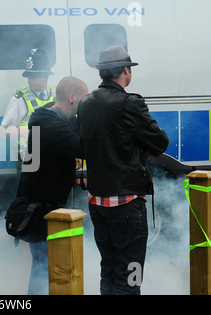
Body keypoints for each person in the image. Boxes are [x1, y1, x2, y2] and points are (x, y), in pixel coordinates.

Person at [77, 45, 169, 295]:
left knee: (108, 270)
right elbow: (160, 143)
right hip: (127, 204)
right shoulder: (130, 103)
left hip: (97, 203)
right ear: (126, 71)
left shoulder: (85, 103)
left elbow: (83, 148)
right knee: (131, 276)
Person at [18, 76, 88, 295]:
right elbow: (82, 148)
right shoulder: (49, 123)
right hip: (39, 206)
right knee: (43, 265)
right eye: (84, 99)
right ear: (71, 98)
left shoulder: (52, 115)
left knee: (46, 264)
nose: (85, 105)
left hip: (45, 201)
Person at [0, 48, 56, 162]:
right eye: (29, 76)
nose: (30, 80)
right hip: (30, 161)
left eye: (35, 77)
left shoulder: (58, 95)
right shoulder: (21, 98)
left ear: (46, 76)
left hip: (55, 159)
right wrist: (20, 131)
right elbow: (3, 131)